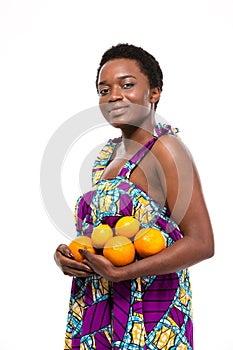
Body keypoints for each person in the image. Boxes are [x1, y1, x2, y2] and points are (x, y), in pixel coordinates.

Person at [54, 43, 214, 349]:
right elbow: (102, 236)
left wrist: (123, 272)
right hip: (96, 306)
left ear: (154, 92)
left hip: (148, 311)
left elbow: (202, 243)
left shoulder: (166, 149)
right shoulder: (105, 156)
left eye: (127, 85)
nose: (113, 95)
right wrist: (71, 257)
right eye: (104, 89)